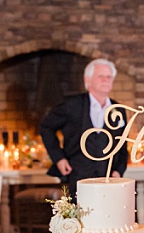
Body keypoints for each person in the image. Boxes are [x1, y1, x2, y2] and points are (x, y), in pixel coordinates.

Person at [38, 59, 129, 188]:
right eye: (101, 76)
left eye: (109, 77)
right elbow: (46, 127)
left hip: (108, 178)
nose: (106, 80)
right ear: (88, 80)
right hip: (78, 176)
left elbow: (122, 144)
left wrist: (119, 170)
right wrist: (59, 158)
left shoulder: (118, 109)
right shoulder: (72, 105)